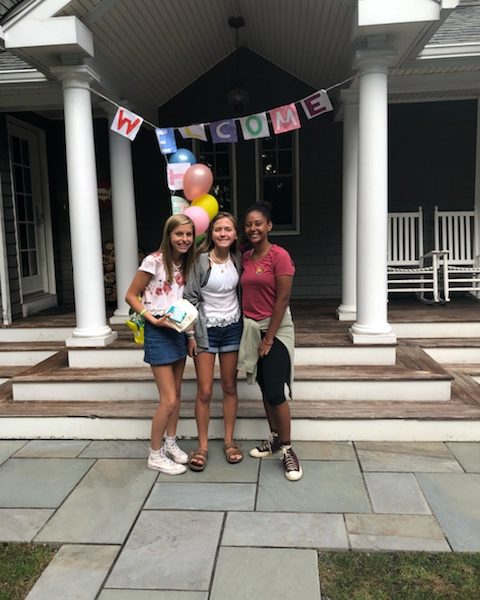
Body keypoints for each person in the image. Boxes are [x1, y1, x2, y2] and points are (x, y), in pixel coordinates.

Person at [125, 214, 196, 475]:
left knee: (176, 395)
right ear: (169, 235)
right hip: (159, 333)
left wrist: (189, 336)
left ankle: (170, 443)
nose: (184, 239)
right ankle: (155, 455)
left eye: (189, 234)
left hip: (178, 331)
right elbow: (131, 295)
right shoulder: (153, 261)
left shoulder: (187, 264)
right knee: (167, 399)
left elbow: (184, 303)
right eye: (179, 234)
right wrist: (151, 320)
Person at [238, 202, 302, 481]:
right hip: (252, 329)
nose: (253, 228)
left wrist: (269, 339)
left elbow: (283, 299)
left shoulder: (280, 256)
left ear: (269, 226)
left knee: (276, 392)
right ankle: (274, 439)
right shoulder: (246, 257)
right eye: (249, 224)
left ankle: (288, 450)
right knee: (265, 387)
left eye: (258, 223)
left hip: (276, 329)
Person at [184, 211, 243, 471]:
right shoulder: (200, 261)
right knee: (205, 390)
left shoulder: (238, 259)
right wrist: (190, 334)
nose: (223, 234)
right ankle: (203, 445)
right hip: (205, 330)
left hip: (232, 328)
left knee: (229, 386)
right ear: (211, 234)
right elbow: (190, 297)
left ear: (235, 234)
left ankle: (229, 441)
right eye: (218, 229)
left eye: (227, 229)